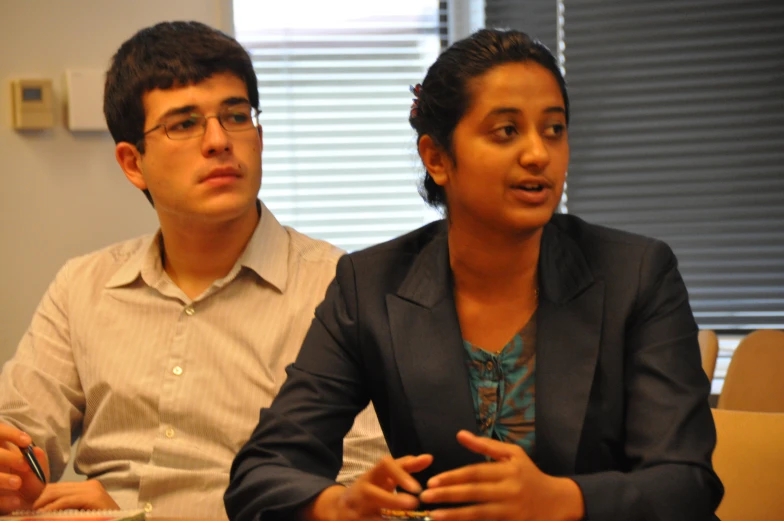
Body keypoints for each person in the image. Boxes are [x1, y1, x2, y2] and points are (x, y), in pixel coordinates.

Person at [225, 28, 724, 521]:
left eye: (554, 129)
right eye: (507, 131)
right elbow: (263, 473)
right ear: (437, 158)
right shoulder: (369, 285)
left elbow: (686, 482)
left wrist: (563, 501)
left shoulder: (635, 273)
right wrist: (341, 504)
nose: (538, 154)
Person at [0, 21, 387, 518]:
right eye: (183, 124)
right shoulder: (84, 285)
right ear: (132, 163)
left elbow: (359, 491)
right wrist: (13, 468)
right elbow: (21, 428)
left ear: (260, 137)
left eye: (236, 115)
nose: (219, 141)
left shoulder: (341, 286)